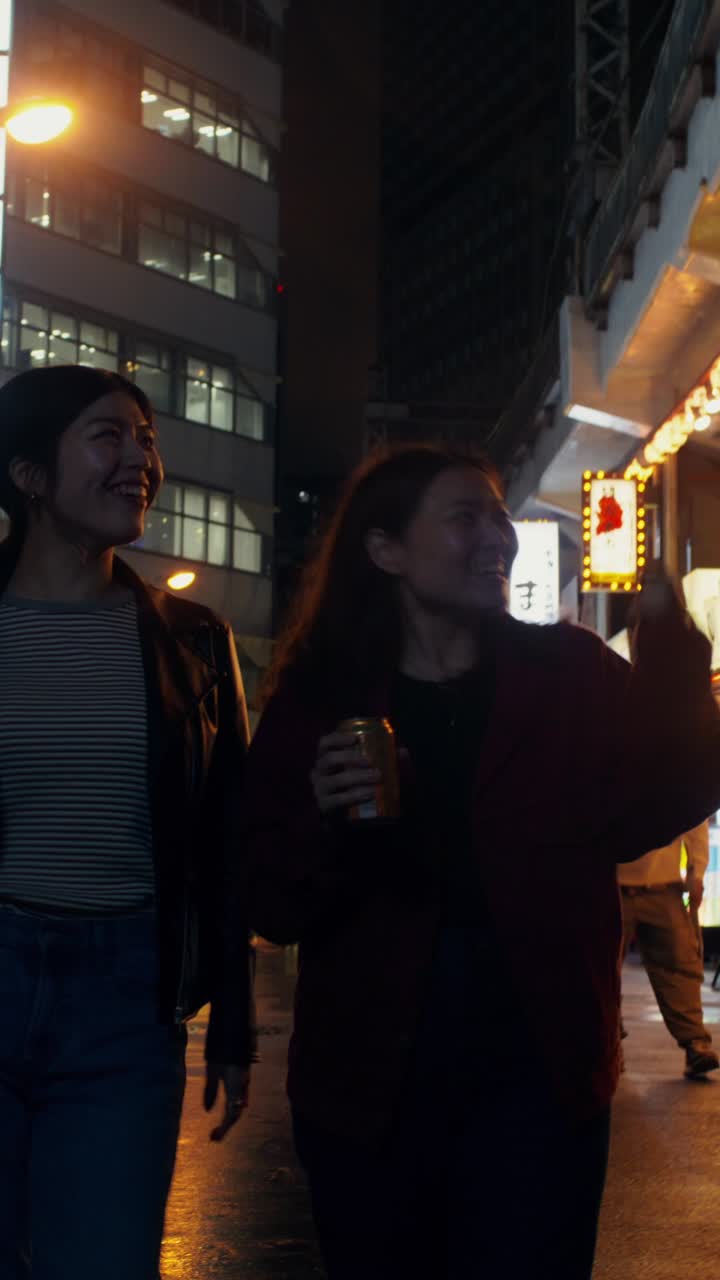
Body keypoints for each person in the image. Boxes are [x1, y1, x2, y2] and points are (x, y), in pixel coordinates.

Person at [240, 444, 720, 1280]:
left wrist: (673, 653)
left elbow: (659, 800)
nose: (497, 534)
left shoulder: (567, 674)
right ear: (385, 550)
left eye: (499, 515)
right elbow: (269, 899)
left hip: (540, 1085)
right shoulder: (324, 697)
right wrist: (326, 820)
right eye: (465, 516)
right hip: (370, 1093)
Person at [0, 365, 254, 1280]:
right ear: (29, 474)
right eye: (107, 436)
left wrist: (233, 1024)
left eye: (145, 440)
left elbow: (230, 838)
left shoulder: (193, 642)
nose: (140, 460)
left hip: (125, 1001)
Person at [619, 821, 719, 1077]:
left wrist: (696, 872)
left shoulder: (671, 780)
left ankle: (695, 1042)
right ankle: (605, 1044)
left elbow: (694, 820)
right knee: (600, 969)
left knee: (681, 963)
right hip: (611, 884)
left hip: (664, 884)